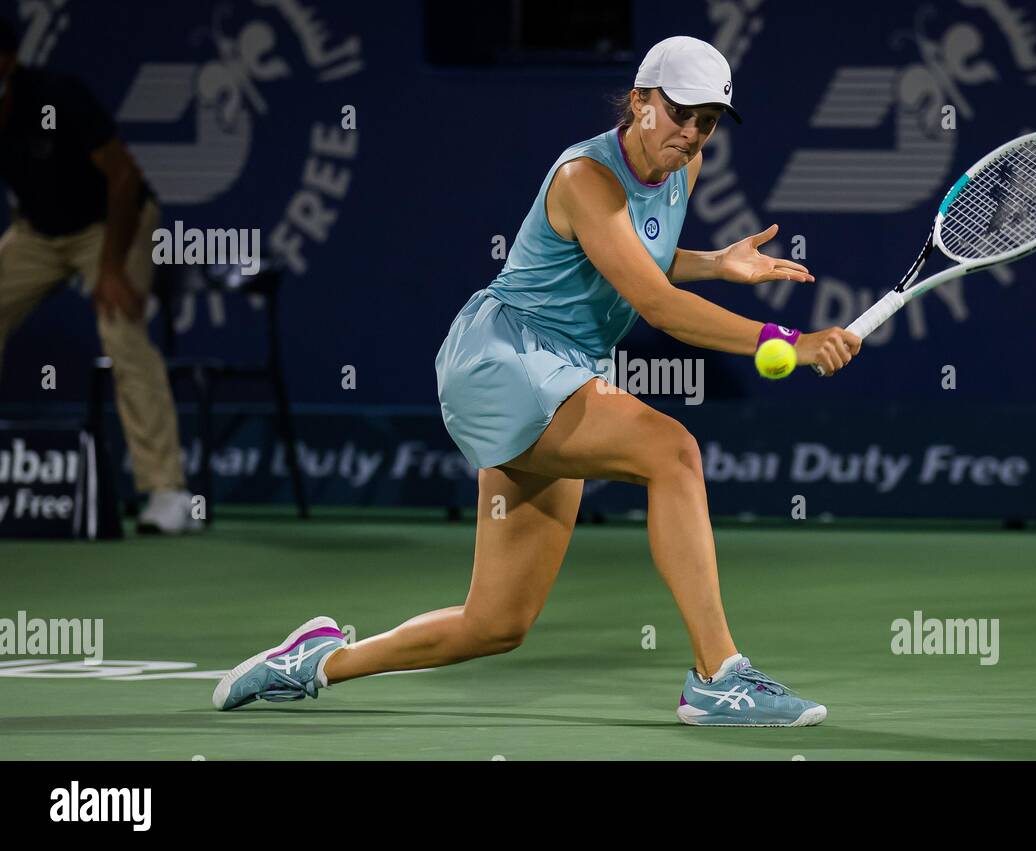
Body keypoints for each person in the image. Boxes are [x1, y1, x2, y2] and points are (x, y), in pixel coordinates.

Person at [214, 36, 860, 726]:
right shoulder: (585, 176)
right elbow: (656, 305)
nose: (692, 131)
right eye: (679, 112)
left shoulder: (685, 165)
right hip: (502, 359)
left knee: (495, 622)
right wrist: (789, 342)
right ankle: (717, 674)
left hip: (564, 371)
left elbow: (635, 260)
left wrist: (715, 263)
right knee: (673, 452)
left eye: (707, 121)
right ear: (640, 101)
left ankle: (312, 661)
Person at [0, 17, 198, 533]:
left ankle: (167, 492)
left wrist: (110, 269)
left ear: (7, 61)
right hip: (38, 231)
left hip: (112, 222)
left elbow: (125, 177)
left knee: (119, 328)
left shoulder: (57, 97)